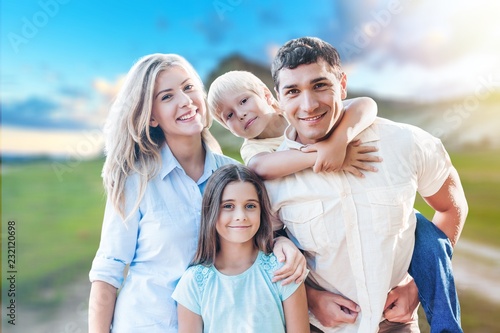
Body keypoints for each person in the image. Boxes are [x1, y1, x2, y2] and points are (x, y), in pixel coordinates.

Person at [87, 54, 307, 333]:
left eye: (189, 87)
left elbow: (262, 239)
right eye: (167, 97)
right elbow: (108, 271)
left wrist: (281, 244)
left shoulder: (235, 175)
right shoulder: (137, 181)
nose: (185, 101)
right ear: (151, 116)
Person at [265, 37, 468, 333]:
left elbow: (451, 207)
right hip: (318, 326)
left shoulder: (405, 142)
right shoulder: (271, 179)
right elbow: (257, 252)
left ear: (342, 84)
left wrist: (415, 287)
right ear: (278, 98)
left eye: (320, 85)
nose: (308, 105)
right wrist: (309, 299)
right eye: (293, 91)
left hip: (395, 325)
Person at [172, 164, 310, 333]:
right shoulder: (194, 282)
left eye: (250, 206)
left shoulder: (283, 270)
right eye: (228, 206)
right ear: (212, 211)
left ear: (261, 211)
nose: (240, 216)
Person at [207, 70, 380, 180]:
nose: (241, 114)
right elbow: (260, 167)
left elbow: (365, 104)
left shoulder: (296, 111)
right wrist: (325, 154)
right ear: (226, 127)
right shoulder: (253, 148)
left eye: (244, 101)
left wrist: (339, 142)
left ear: (266, 96)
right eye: (229, 115)